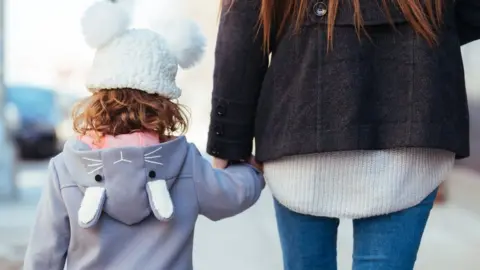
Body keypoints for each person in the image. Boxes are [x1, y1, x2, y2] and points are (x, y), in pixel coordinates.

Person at [208, 0, 480, 269]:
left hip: (300, 120)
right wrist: (413, 30)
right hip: (412, 120)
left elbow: (242, 30)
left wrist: (229, 141)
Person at [23, 1, 264, 270]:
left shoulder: (65, 169)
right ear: (165, 105)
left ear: (98, 96)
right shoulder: (184, 162)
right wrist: (252, 172)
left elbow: (43, 256)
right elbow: (232, 194)